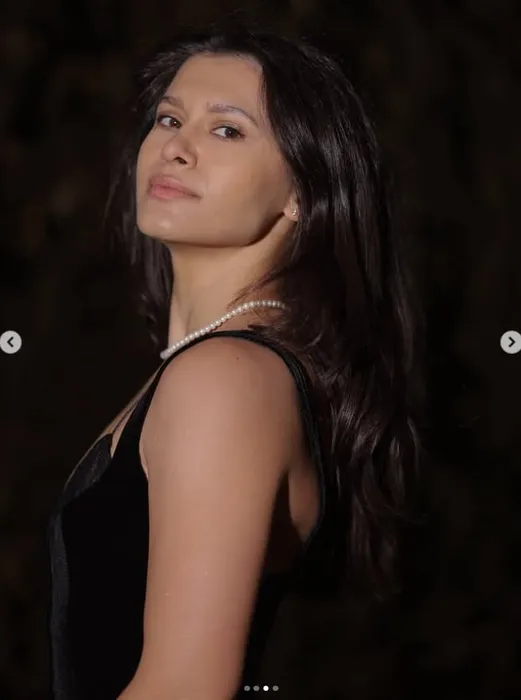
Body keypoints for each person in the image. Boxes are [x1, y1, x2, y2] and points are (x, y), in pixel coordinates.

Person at [47, 19, 426, 700]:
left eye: (226, 130)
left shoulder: (224, 379)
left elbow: (186, 687)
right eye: (169, 119)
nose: (176, 147)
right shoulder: (216, 371)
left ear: (301, 192)